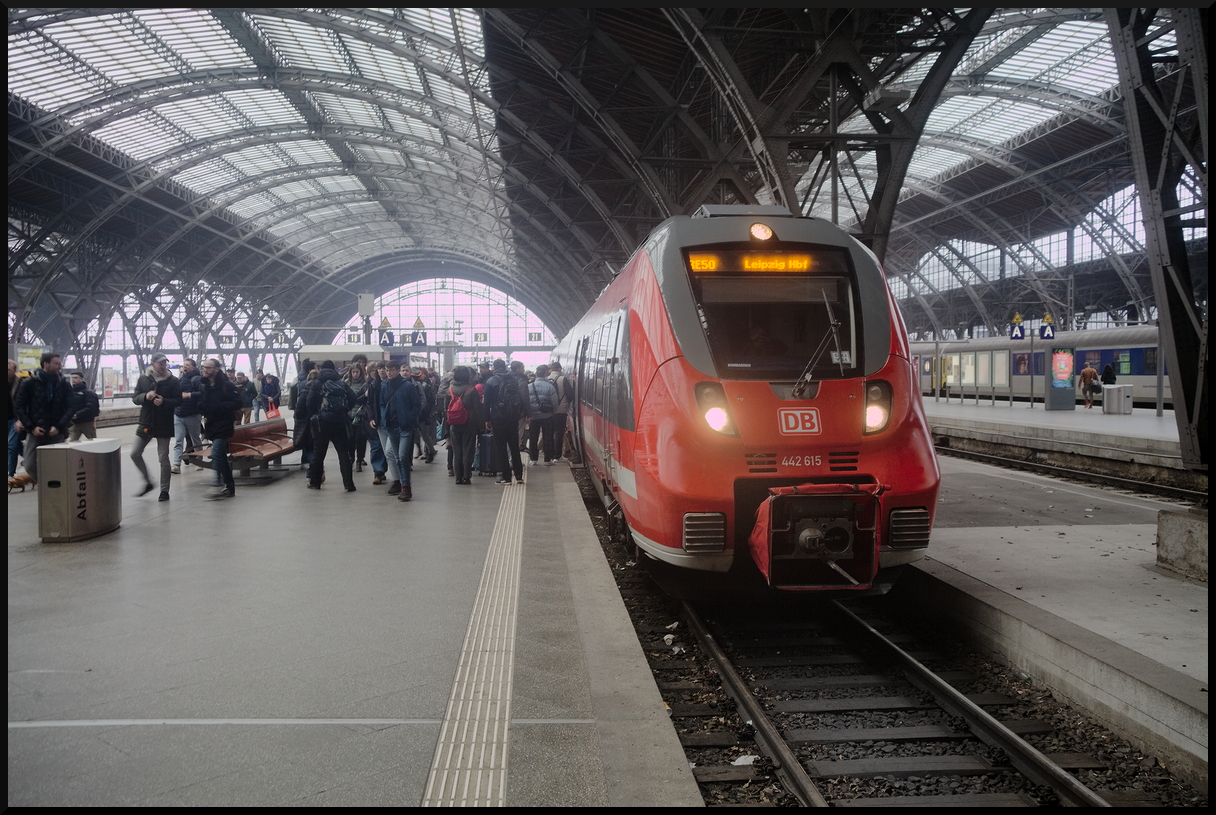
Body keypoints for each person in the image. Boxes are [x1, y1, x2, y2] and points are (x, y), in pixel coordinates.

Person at [14, 351, 73, 484]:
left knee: (57, 464)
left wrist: (59, 427)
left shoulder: (64, 384)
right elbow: (19, 407)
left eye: (60, 363)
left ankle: (55, 488)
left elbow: (70, 407)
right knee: (29, 464)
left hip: (56, 432)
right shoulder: (29, 383)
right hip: (35, 431)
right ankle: (46, 485)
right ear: (46, 364)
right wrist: (31, 427)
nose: (60, 366)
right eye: (56, 363)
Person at [131, 352, 182, 500]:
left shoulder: (173, 381)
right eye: (160, 363)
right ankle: (148, 481)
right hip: (146, 422)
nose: (163, 366)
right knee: (134, 453)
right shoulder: (143, 379)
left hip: (163, 423)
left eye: (165, 363)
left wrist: (164, 402)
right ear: (153, 364)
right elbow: (135, 397)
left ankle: (164, 491)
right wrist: (145, 397)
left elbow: (178, 400)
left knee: (163, 458)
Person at [307, 360, 361, 492]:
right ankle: (349, 484)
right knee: (343, 453)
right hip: (339, 422)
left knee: (319, 454)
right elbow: (354, 397)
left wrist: (317, 413)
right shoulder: (341, 383)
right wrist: (345, 410)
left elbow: (309, 402)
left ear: (321, 368)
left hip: (322, 423)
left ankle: (315, 482)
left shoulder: (317, 383)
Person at [196, 359, 240, 499]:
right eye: (204, 367)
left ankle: (219, 484)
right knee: (220, 455)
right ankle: (228, 485)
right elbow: (203, 402)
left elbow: (238, 402)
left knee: (216, 453)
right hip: (212, 424)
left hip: (224, 424)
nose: (205, 370)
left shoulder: (225, 385)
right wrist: (201, 406)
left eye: (208, 367)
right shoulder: (204, 385)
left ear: (216, 369)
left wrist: (220, 406)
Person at [378, 359, 421, 500]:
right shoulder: (384, 386)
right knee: (397, 457)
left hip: (405, 427)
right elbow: (382, 403)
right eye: (387, 370)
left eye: (391, 370)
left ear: (397, 371)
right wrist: (384, 416)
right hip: (391, 426)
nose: (388, 372)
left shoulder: (407, 387)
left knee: (402, 456)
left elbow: (416, 404)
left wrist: (409, 417)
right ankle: (404, 486)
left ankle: (406, 486)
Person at [484, 359, 524, 485]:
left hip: (498, 417)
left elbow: (486, 403)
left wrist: (487, 419)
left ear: (494, 367)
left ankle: (506, 477)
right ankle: (519, 476)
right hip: (512, 417)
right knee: (514, 446)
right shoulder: (513, 379)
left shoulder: (491, 381)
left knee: (501, 448)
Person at [446, 366, 483, 484]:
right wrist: (481, 427)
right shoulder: (472, 390)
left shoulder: (449, 390)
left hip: (454, 424)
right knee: (468, 450)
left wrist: (446, 429)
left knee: (457, 452)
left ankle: (458, 477)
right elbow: (478, 410)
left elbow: (445, 410)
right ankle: (466, 476)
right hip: (469, 424)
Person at [172, 358, 203, 474]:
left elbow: (203, 394)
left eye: (188, 365)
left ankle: (199, 460)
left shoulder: (196, 379)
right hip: (179, 413)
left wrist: (189, 395)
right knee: (178, 440)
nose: (185, 367)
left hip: (192, 414)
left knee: (195, 439)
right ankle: (176, 464)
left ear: (193, 367)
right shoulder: (181, 379)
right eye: (184, 364)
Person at [527, 364, 559, 465]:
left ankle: (533, 459)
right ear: (546, 373)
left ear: (536, 373)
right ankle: (547, 460)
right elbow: (555, 403)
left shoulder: (529, 386)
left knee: (533, 437)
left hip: (533, 416)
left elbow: (526, 401)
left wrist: (528, 414)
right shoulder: (550, 386)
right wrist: (552, 413)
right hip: (547, 416)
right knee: (547, 437)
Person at [548, 361, 573, 461]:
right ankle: (557, 456)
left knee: (549, 433)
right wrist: (566, 404)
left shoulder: (546, 379)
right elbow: (570, 394)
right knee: (559, 432)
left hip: (548, 411)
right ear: (559, 369)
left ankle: (549, 455)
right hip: (561, 410)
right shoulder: (563, 379)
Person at [67, 371, 100, 442]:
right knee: (71, 442)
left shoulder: (88, 393)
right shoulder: (70, 392)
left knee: (93, 441)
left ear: (81, 379)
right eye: (72, 378)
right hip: (74, 423)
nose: (73, 380)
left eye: (76, 378)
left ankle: (96, 453)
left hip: (87, 422)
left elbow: (91, 407)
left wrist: (77, 414)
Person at [8, 360, 23, 478]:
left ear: (14, 371)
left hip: (15, 419)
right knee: (17, 447)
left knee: (11, 446)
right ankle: (32, 462)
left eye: (8, 370)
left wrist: (21, 419)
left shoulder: (21, 383)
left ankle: (10, 473)